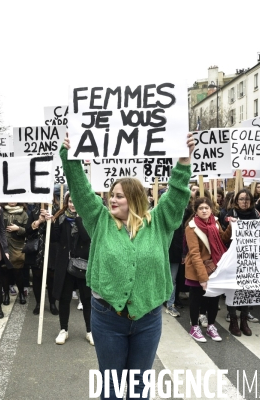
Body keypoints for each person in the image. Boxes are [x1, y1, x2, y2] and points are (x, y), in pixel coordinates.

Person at [61, 132, 193, 399]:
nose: (112, 199)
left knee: (139, 387)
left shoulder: (159, 223)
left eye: (119, 196)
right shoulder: (100, 220)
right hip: (107, 317)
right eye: (111, 195)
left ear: (134, 198)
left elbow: (177, 196)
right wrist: (71, 157)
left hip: (148, 319)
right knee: (110, 388)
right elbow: (80, 189)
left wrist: (183, 162)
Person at [185, 197, 233, 342]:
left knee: (214, 299)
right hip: (197, 269)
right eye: (201, 208)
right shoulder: (191, 227)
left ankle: (211, 325)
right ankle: (194, 327)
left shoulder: (215, 223)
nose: (204, 210)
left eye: (207, 208)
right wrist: (202, 277)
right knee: (196, 299)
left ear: (211, 209)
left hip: (215, 267)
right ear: (196, 211)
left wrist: (231, 226)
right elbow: (194, 254)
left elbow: (224, 238)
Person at [51, 192, 93, 345]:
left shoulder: (87, 218)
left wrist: (79, 218)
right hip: (66, 265)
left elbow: (86, 237)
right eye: (70, 201)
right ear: (66, 202)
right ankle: (63, 330)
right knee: (64, 298)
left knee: (87, 299)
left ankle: (90, 331)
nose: (72, 205)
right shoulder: (61, 218)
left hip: (83, 265)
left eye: (75, 202)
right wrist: (48, 222)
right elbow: (54, 238)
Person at [224, 189, 260, 335]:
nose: (244, 202)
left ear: (251, 201)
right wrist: (230, 225)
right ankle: (233, 320)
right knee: (233, 288)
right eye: (241, 199)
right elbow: (224, 237)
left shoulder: (257, 215)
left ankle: (244, 321)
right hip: (233, 257)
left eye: (247, 199)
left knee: (247, 289)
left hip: (250, 257)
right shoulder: (229, 214)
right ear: (236, 200)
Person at [25, 203, 58, 315]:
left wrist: (52, 221)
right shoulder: (34, 211)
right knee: (37, 277)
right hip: (37, 251)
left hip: (52, 251)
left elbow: (57, 235)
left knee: (52, 278)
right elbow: (27, 231)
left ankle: (52, 303)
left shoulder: (57, 211)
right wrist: (39, 221)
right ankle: (39, 303)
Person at [3, 202, 29, 304]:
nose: (12, 201)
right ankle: (6, 294)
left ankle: (21, 293)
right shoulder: (1, 211)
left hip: (17, 247)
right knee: (4, 272)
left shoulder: (23, 213)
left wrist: (18, 228)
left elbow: (28, 230)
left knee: (18, 273)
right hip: (4, 247)